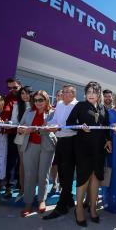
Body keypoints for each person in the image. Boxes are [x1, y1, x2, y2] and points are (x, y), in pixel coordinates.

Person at [66, 81, 111, 227]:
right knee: (83, 178)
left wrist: (108, 140)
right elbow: (70, 122)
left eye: (94, 92)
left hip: (99, 149)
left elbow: (106, 128)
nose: (91, 95)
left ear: (99, 94)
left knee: (96, 178)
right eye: (89, 92)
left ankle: (92, 208)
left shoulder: (104, 109)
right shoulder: (80, 106)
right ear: (85, 94)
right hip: (83, 148)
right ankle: (79, 208)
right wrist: (80, 126)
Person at [17, 90, 56, 217]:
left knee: (43, 174)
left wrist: (38, 129)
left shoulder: (53, 112)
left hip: (46, 146)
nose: (38, 102)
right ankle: (28, 202)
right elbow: (20, 127)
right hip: (30, 145)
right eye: (36, 100)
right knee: (29, 174)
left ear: (46, 100)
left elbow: (56, 128)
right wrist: (23, 130)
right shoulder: (28, 111)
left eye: (41, 100)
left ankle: (41, 200)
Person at [43, 85, 78, 220]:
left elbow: (77, 126)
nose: (62, 94)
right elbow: (55, 120)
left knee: (68, 173)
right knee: (61, 173)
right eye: (62, 92)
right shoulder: (59, 104)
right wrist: (48, 124)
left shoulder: (77, 106)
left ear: (72, 94)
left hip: (71, 142)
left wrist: (58, 128)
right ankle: (68, 200)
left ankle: (61, 206)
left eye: (65, 92)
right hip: (60, 141)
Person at [0, 78, 21, 198]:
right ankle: (9, 186)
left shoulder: (26, 98)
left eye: (14, 87)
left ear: (20, 86)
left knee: (21, 161)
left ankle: (20, 184)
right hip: (11, 134)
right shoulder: (6, 98)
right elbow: (2, 114)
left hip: (25, 133)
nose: (12, 90)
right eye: (9, 88)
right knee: (12, 160)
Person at [11, 86, 32, 201]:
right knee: (23, 164)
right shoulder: (16, 106)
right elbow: (14, 122)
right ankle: (22, 189)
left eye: (27, 93)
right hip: (21, 138)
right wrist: (20, 127)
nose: (25, 95)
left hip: (34, 138)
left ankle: (30, 189)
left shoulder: (36, 105)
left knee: (33, 165)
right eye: (22, 93)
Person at [50, 89, 63, 193]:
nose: (59, 97)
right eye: (58, 95)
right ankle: (54, 183)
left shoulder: (68, 109)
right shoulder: (51, 109)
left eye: (61, 95)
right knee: (53, 163)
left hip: (63, 139)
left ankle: (61, 184)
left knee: (62, 163)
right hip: (51, 139)